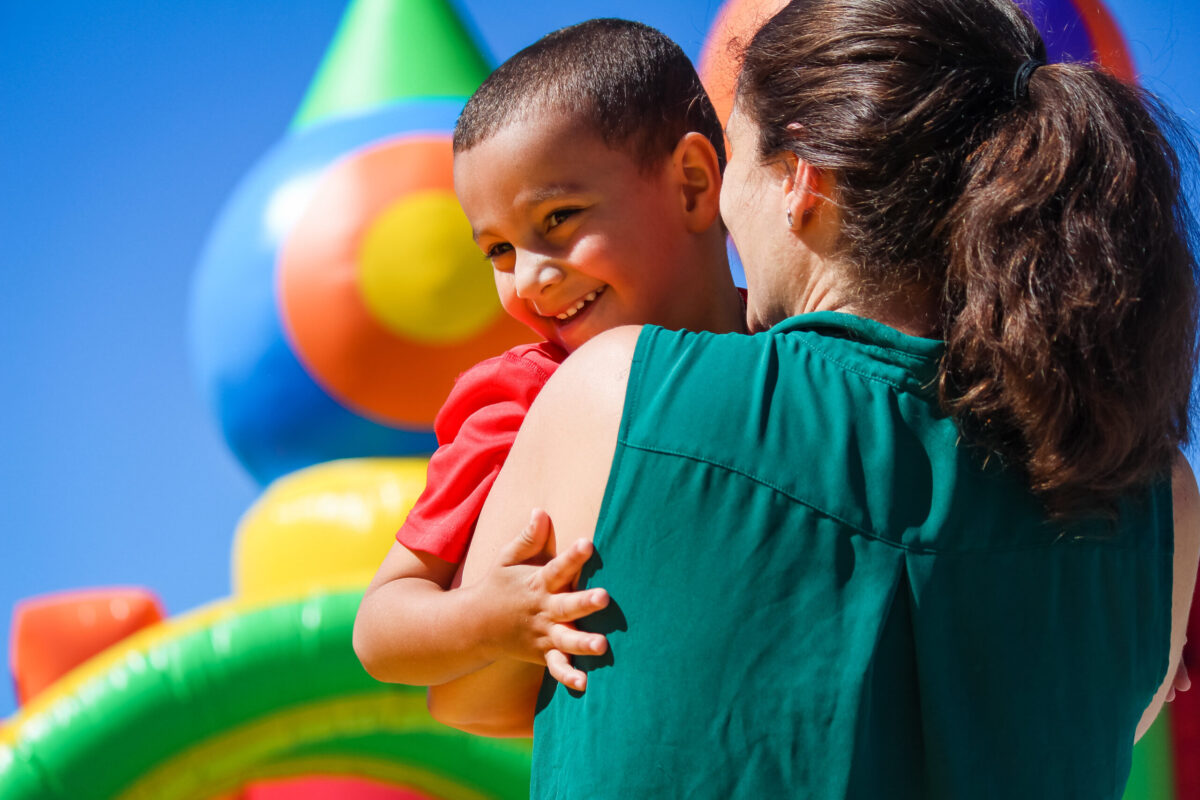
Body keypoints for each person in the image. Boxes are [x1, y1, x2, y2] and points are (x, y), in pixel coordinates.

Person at [427, 0, 1200, 797]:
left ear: (800, 180)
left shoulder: (615, 391)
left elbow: (463, 691)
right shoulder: (1157, 493)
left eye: (737, 158)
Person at [353, 20, 744, 697]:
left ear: (691, 183)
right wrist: (491, 618)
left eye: (558, 219)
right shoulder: (522, 395)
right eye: (499, 250)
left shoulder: (785, 339)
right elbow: (380, 626)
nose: (529, 279)